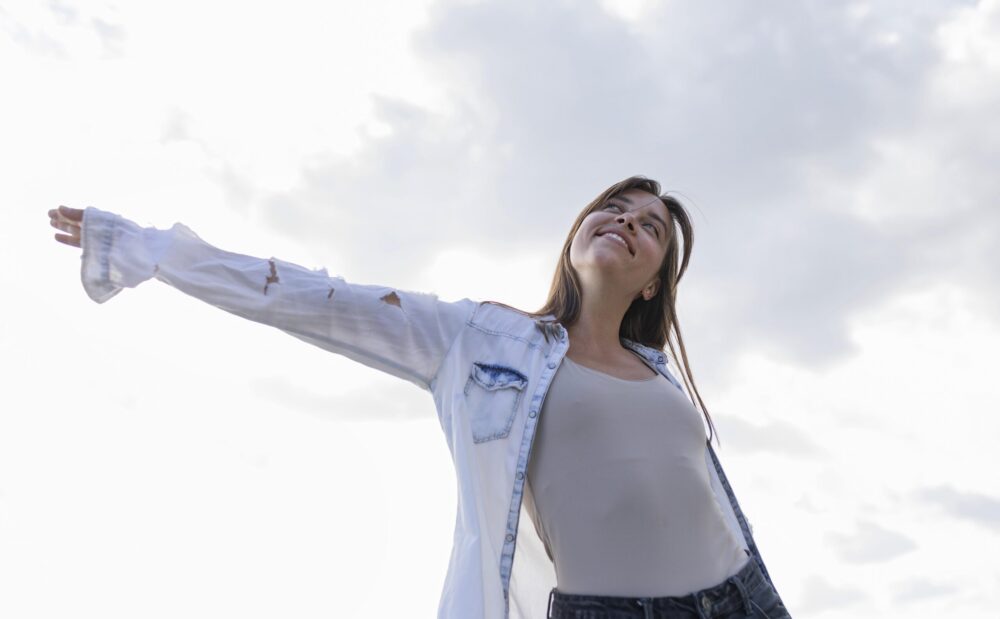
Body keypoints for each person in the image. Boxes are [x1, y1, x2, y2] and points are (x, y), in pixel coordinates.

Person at [48, 175, 791, 618]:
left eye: (650, 226)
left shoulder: (660, 372)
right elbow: (321, 299)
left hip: (742, 597)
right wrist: (149, 249)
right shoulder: (481, 339)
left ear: (655, 279)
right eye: (615, 207)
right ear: (577, 235)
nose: (628, 220)